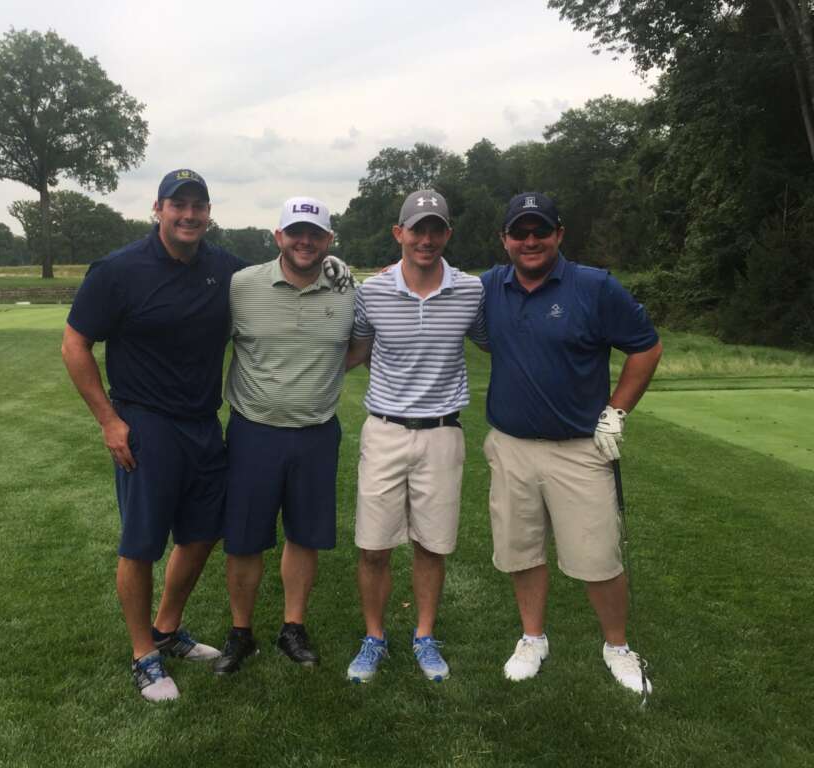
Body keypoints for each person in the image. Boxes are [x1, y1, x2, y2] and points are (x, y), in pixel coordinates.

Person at [61, 170, 355, 703]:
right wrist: (109, 421)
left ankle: (166, 629)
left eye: (198, 205)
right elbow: (74, 344)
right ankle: (143, 655)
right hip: (146, 422)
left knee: (201, 534)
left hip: (202, 423)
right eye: (179, 205)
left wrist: (335, 266)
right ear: (158, 209)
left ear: (209, 213)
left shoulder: (225, 270)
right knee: (142, 544)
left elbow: (290, 269)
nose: (189, 214)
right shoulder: (118, 270)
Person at [479, 191, 662, 694]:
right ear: (504, 240)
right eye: (520, 232)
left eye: (541, 230)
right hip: (511, 446)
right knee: (520, 551)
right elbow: (431, 280)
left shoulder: (595, 287)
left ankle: (617, 647)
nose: (530, 241)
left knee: (598, 557)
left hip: (580, 449)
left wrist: (616, 412)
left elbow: (646, 348)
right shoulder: (489, 286)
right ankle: (532, 638)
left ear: (559, 234)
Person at [344, 190, 486, 683]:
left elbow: (502, 340)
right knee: (373, 547)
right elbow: (355, 351)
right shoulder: (372, 291)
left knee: (431, 545)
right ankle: (374, 637)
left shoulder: (470, 291)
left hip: (442, 433)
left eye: (436, 229)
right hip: (384, 431)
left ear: (447, 234)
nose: (426, 239)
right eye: (417, 229)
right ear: (399, 233)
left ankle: (424, 636)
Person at [213, 197, 356, 674]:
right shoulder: (241, 285)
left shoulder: (346, 288)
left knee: (304, 535)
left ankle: (293, 627)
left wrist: (320, 373)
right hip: (254, 432)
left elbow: (359, 346)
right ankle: (241, 632)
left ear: (329, 240)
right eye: (296, 232)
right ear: (278, 236)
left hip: (317, 432)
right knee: (244, 539)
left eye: (315, 234)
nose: (305, 241)